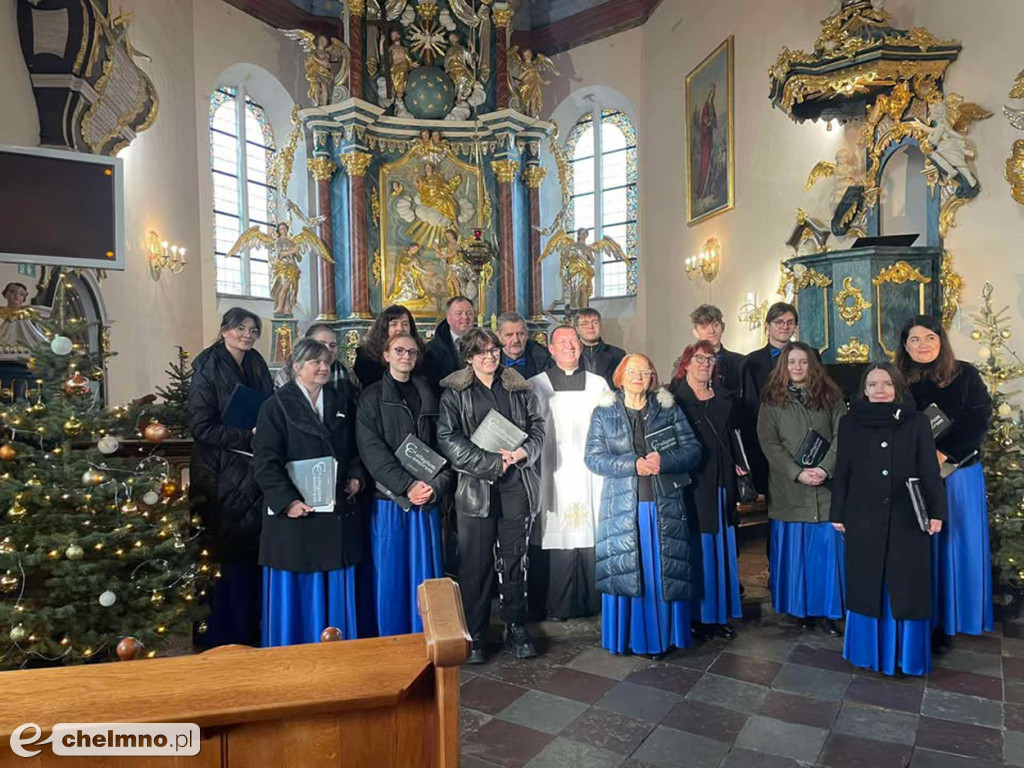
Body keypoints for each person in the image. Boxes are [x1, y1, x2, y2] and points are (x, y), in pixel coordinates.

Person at [436, 328, 546, 663]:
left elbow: (538, 427)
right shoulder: (455, 392)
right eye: (482, 352)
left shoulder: (518, 387)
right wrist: (491, 463)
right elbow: (448, 439)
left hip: (516, 484)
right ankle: (476, 634)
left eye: (494, 350)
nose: (490, 356)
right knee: (476, 564)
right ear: (469, 357)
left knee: (515, 560)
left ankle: (516, 627)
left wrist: (523, 453)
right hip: (475, 488)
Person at [831, 363, 946, 677]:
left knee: (907, 585)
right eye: (872, 384)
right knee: (866, 583)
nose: (879, 389)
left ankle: (907, 658)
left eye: (886, 383)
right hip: (862, 516)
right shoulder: (849, 422)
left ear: (897, 388)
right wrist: (837, 512)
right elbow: (843, 471)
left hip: (909, 516)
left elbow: (929, 471)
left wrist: (937, 512)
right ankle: (866, 654)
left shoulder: (917, 422)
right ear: (864, 390)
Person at [586, 354, 702, 658]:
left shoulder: (668, 408)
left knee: (661, 572)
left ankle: (664, 638)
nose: (639, 376)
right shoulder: (603, 413)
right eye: (633, 371)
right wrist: (632, 464)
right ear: (620, 376)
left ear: (653, 377)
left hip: (662, 503)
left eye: (646, 371)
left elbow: (693, 450)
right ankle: (625, 638)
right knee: (627, 570)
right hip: (623, 504)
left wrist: (665, 460)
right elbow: (593, 458)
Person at [253, 339, 364, 646]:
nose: (323, 367)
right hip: (296, 518)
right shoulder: (275, 406)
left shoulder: (341, 402)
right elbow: (264, 463)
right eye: (315, 362)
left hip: (335, 512)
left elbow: (355, 449)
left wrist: (356, 476)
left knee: (336, 582)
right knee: (300, 584)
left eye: (326, 362)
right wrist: (287, 501)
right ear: (296, 367)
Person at [897, 315, 993, 646]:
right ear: (905, 346)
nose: (922, 345)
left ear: (941, 341)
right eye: (914, 340)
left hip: (958, 472)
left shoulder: (965, 374)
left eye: (929, 338)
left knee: (954, 543)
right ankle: (928, 618)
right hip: (913, 476)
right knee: (922, 545)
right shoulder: (896, 379)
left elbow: (979, 417)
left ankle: (954, 620)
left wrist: (946, 453)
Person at [188, 308, 274, 647]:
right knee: (223, 556)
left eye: (253, 330)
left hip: (253, 474)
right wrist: (246, 436)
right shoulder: (207, 366)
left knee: (252, 555)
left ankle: (251, 631)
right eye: (241, 329)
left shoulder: (256, 364)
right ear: (224, 330)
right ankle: (220, 635)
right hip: (218, 474)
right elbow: (201, 426)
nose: (248, 335)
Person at [356, 333, 451, 636]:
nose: (405, 356)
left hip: (426, 500)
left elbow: (443, 446)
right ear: (385, 355)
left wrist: (435, 486)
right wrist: (407, 486)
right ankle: (392, 637)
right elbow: (371, 450)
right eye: (398, 350)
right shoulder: (371, 397)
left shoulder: (428, 393)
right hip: (390, 501)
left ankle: (430, 635)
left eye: (411, 351)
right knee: (392, 576)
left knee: (427, 578)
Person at [757, 341, 846, 634]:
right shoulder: (771, 400)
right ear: (784, 366)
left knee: (825, 554)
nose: (797, 367)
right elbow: (769, 443)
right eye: (792, 362)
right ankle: (798, 611)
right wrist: (797, 472)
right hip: (789, 489)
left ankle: (828, 611)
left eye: (803, 362)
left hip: (826, 487)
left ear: (813, 365)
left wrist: (824, 468)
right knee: (795, 555)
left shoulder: (831, 396)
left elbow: (842, 434)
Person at [530, 325, 608, 620]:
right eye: (562, 342)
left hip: (591, 472)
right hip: (553, 469)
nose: (569, 346)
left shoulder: (598, 384)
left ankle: (591, 602)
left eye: (574, 341)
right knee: (554, 532)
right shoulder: (536, 385)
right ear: (550, 348)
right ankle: (557, 604)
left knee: (591, 526)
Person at [671, 341, 743, 639]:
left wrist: (740, 462)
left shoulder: (726, 397)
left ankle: (716, 615)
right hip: (691, 483)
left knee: (720, 549)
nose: (704, 364)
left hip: (721, 482)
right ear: (686, 364)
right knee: (694, 549)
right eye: (698, 359)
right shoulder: (672, 399)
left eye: (710, 360)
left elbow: (738, 437)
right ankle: (693, 614)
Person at [741, 302, 800, 496]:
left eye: (790, 322)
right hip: (767, 441)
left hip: (801, 438)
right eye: (779, 322)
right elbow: (751, 405)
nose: (785, 326)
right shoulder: (751, 361)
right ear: (767, 326)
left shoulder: (810, 356)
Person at [275, 324, 359, 395]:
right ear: (307, 346)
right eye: (321, 344)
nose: (328, 349)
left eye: (332, 345)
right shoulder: (285, 375)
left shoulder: (349, 375)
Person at [354, 305, 424, 388]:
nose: (400, 328)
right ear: (384, 327)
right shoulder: (366, 355)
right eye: (394, 324)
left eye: (405, 324)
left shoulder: (422, 352)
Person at [689, 304, 745, 393]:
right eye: (704, 327)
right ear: (695, 332)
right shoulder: (686, 362)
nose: (711, 331)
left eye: (715, 325)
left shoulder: (740, 362)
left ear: (723, 327)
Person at [425, 296, 475, 391]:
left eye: (469, 313)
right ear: (448, 318)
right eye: (459, 313)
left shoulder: (484, 344)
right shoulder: (432, 349)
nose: (465, 317)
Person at [576, 308, 625, 389]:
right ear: (577, 329)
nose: (590, 327)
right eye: (584, 323)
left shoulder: (618, 355)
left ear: (601, 326)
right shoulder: (569, 355)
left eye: (595, 322)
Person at [497, 311, 552, 380]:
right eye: (509, 335)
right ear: (499, 336)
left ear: (527, 334)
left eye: (520, 334)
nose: (516, 340)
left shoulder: (544, 358)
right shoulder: (488, 360)